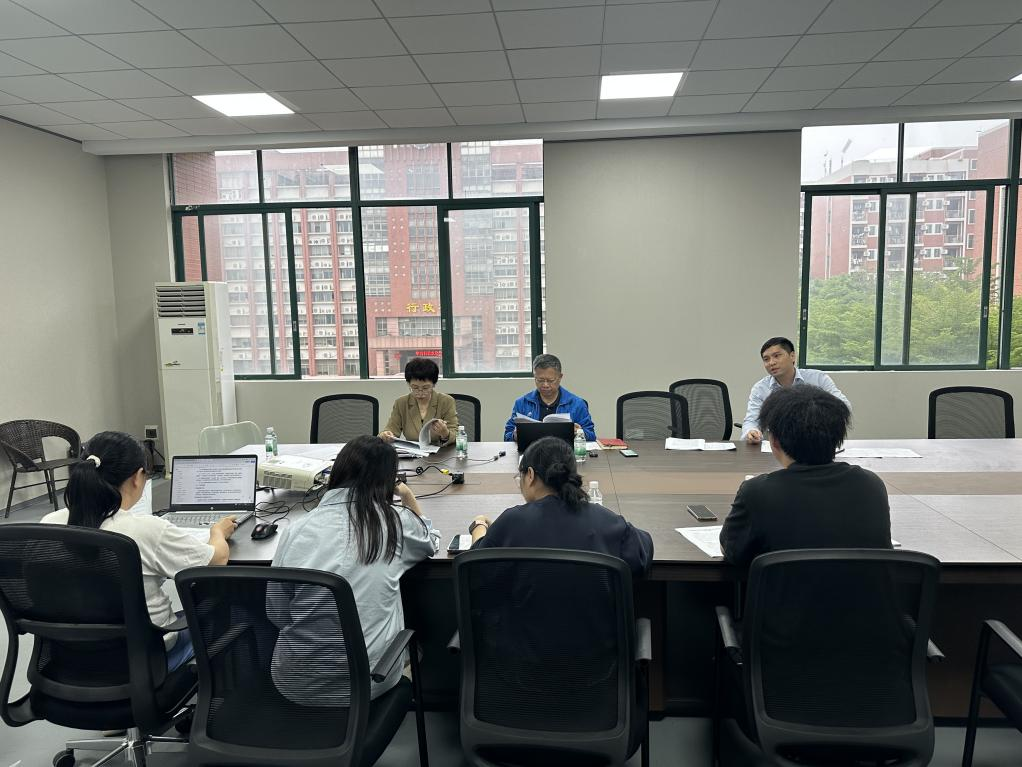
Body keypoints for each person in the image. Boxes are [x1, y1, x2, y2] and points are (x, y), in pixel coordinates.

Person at [41, 431, 236, 670]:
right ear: (137, 477)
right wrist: (218, 532)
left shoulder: (49, 523)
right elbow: (217, 560)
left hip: (70, 659)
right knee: (233, 612)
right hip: (145, 659)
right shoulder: (146, 529)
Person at [268, 435, 439, 704]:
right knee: (414, 649)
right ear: (388, 480)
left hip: (296, 685)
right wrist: (407, 496)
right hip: (367, 685)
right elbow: (430, 541)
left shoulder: (295, 531)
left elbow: (277, 614)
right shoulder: (393, 523)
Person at [721, 385, 891, 568]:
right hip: (860, 588)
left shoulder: (756, 492)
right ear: (838, 437)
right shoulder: (871, 485)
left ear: (775, 441)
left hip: (786, 588)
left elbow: (732, 552)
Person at [470, 436, 652, 575]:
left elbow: (475, 565)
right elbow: (642, 551)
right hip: (589, 616)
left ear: (530, 475)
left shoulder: (511, 521)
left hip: (524, 615)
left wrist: (479, 525)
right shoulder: (606, 520)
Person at [741, 336, 850, 443]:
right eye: (766, 359)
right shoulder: (760, 389)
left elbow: (843, 406)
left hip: (815, 442)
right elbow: (751, 420)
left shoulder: (818, 379)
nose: (771, 362)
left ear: (792, 356)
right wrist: (751, 431)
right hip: (776, 447)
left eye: (777, 356)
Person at [503, 354, 596, 442]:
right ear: (534, 376)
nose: (545, 385)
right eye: (540, 380)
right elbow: (507, 436)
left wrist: (579, 433)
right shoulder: (522, 403)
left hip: (564, 452)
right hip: (531, 452)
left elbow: (591, 436)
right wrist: (514, 435)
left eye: (550, 380)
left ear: (560, 377)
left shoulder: (577, 404)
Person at [380, 356, 458, 445]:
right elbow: (391, 429)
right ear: (408, 383)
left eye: (425, 388)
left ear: (434, 384)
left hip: (440, 451)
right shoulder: (401, 403)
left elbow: (455, 434)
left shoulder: (446, 401)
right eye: (415, 387)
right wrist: (386, 435)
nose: (420, 392)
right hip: (411, 451)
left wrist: (445, 433)